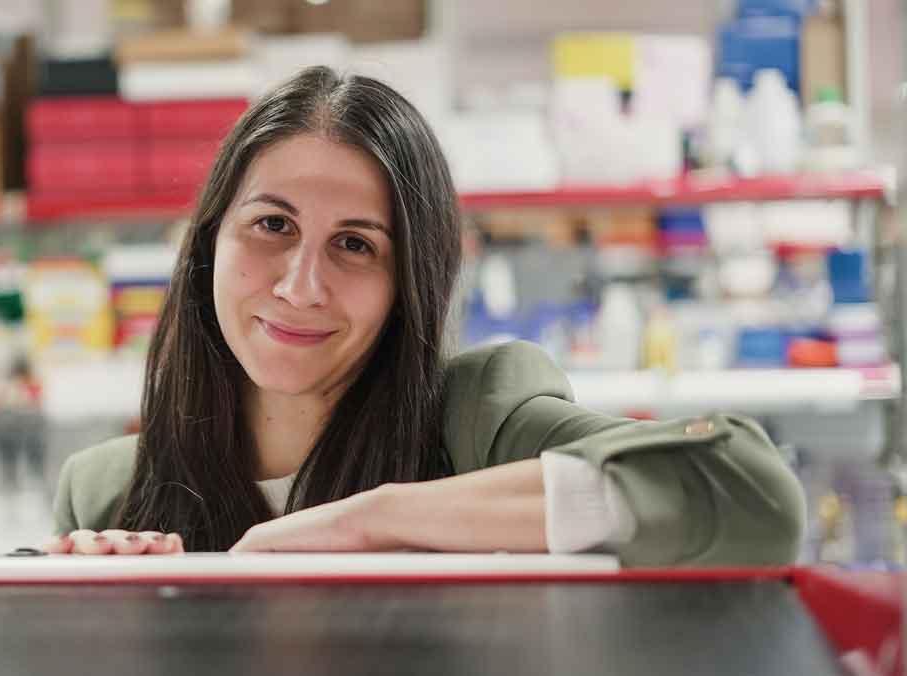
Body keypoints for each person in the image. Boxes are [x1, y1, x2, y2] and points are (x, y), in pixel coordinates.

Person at [44, 66, 805, 566]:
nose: (301, 286)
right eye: (272, 225)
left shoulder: (482, 420)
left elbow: (748, 492)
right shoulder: (107, 487)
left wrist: (371, 522)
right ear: (208, 240)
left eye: (355, 244)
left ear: (411, 279)